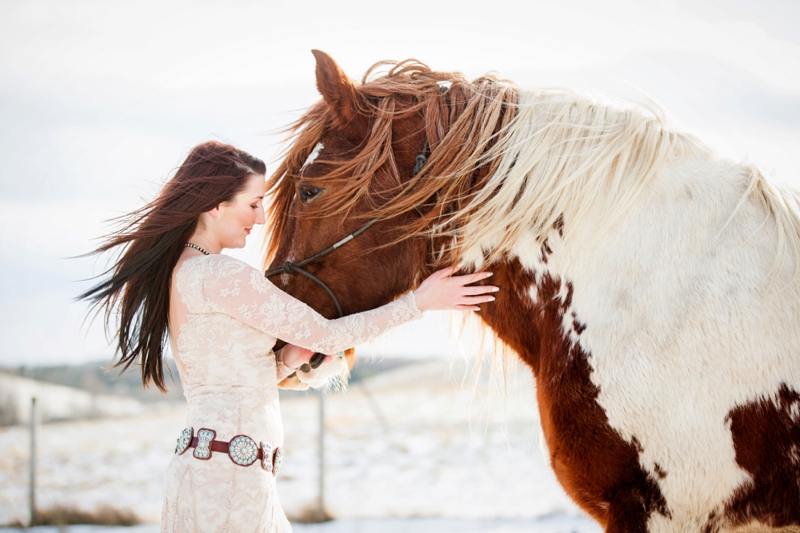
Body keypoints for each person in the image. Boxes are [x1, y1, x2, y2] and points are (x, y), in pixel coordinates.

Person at [80, 141, 498, 532]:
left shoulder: (184, 275)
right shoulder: (223, 275)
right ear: (214, 205)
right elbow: (330, 335)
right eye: (254, 203)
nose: (261, 218)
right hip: (231, 486)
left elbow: (227, 377)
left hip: (210, 474)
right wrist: (420, 302)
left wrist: (286, 362)